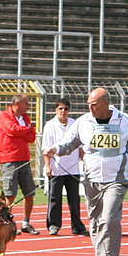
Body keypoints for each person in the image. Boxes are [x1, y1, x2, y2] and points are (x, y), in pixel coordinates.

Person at [43, 88, 128, 256]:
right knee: (95, 222)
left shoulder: (125, 121)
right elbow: (69, 143)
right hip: (91, 180)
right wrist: (54, 149)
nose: (90, 108)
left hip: (116, 180)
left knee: (109, 220)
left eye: (94, 104)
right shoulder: (84, 122)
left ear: (106, 104)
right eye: (88, 104)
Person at [41, 99, 88, 236]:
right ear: (56, 110)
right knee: (54, 198)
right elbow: (46, 148)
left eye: (66, 109)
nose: (63, 111)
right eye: (61, 108)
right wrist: (48, 166)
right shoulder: (50, 125)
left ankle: (77, 226)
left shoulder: (74, 124)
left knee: (74, 199)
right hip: (57, 169)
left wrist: (84, 162)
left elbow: (80, 147)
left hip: (72, 168)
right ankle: (54, 225)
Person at [0, 93, 40, 235]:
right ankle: (7, 223)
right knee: (10, 193)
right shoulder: (3, 116)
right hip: (9, 158)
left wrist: (24, 130)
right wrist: (25, 130)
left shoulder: (25, 118)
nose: (28, 106)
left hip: (24, 158)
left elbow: (31, 136)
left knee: (29, 192)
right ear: (17, 104)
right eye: (26, 103)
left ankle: (26, 222)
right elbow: (11, 130)